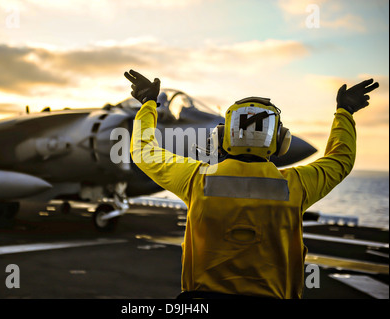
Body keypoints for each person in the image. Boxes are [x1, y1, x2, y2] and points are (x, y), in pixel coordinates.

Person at [124, 69, 379, 299]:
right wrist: (344, 112)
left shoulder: (196, 180)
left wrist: (148, 104)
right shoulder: (298, 185)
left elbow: (144, 152)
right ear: (280, 141)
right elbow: (340, 160)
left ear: (222, 137)